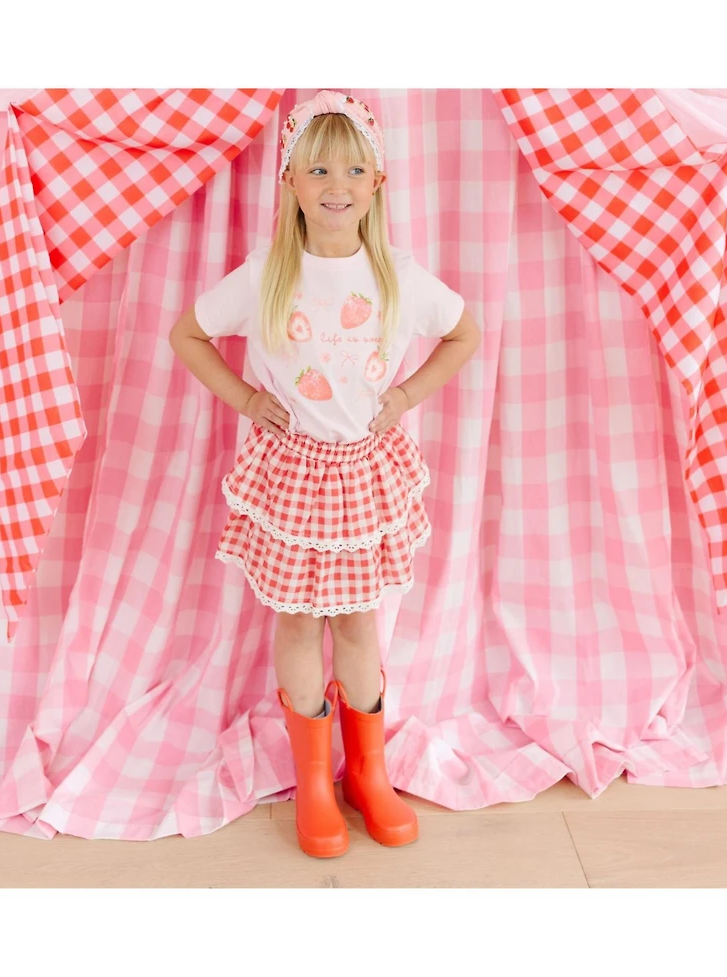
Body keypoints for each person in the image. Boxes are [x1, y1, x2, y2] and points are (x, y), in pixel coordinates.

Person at [169, 91, 481, 858]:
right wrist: (248, 397)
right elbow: (188, 334)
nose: (335, 184)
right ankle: (313, 779)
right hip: (292, 476)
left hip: (363, 475)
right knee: (299, 620)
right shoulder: (266, 275)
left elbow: (464, 334)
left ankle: (367, 770)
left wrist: (404, 396)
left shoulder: (398, 275)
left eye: (352, 170)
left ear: (377, 183)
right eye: (317, 169)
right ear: (291, 182)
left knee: (359, 620)